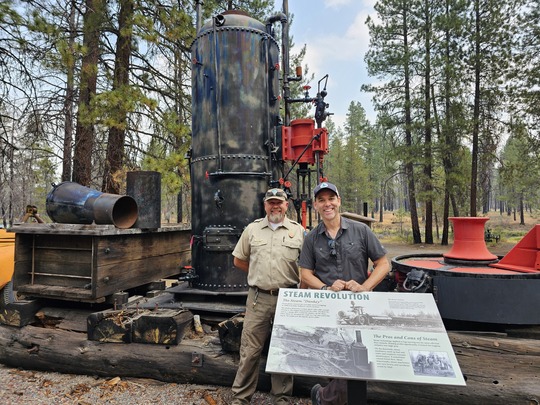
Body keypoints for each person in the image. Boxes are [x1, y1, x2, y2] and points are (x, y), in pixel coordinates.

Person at [298, 182, 390, 405]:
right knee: (336, 357)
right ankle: (330, 396)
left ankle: (323, 396)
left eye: (331, 198)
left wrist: (365, 287)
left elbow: (384, 264)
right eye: (321, 200)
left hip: (357, 308)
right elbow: (305, 273)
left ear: (338, 201)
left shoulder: (361, 231)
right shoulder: (311, 238)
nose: (327, 204)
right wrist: (325, 288)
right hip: (328, 308)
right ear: (316, 205)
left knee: (356, 357)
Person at [231, 187, 305, 405]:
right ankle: (240, 398)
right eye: (271, 202)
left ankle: (281, 398)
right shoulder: (252, 230)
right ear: (265, 205)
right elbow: (239, 260)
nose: (275, 206)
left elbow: (307, 266)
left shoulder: (298, 231)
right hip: (258, 298)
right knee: (250, 351)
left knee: (283, 349)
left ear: (286, 205)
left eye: (279, 202)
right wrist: (259, 275)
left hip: (288, 298)